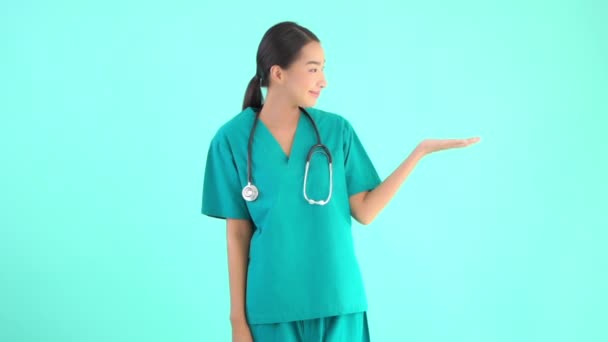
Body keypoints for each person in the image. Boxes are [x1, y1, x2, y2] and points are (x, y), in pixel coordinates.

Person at [201, 21, 481, 342]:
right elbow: (237, 235)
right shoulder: (231, 140)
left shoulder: (336, 132)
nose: (324, 80)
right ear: (278, 73)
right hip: (271, 308)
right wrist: (238, 321)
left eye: (323, 69)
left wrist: (418, 153)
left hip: (338, 300)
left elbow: (365, 210)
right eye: (313, 69)